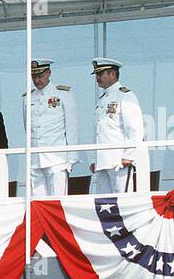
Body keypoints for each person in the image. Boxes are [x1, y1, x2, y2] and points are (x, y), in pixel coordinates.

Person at [90, 58, 147, 193]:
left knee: (123, 201)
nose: (97, 78)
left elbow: (134, 128)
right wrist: (95, 158)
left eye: (100, 74)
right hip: (103, 160)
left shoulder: (125, 95)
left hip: (119, 160)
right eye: (97, 75)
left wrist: (129, 155)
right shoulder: (103, 99)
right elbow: (99, 131)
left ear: (112, 74)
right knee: (103, 203)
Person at [26, 60, 78, 196]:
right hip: (36, 159)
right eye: (33, 76)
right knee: (38, 204)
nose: (37, 80)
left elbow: (72, 127)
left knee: (57, 202)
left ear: (49, 73)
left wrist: (71, 158)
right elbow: (28, 128)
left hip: (57, 158)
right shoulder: (28, 97)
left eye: (40, 76)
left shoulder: (63, 94)